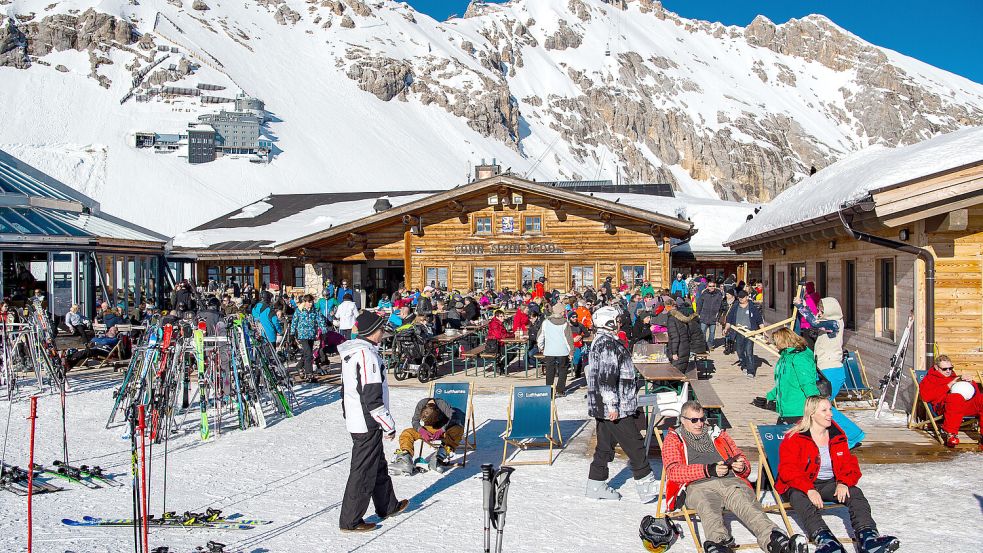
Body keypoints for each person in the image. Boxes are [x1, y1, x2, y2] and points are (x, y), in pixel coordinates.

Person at [663, 401, 807, 553]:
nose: (699, 424)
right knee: (707, 507)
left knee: (747, 505)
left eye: (702, 419)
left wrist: (741, 466)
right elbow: (673, 471)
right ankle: (719, 544)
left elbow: (741, 459)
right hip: (697, 486)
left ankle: (776, 541)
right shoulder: (674, 438)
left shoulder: (717, 433)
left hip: (731, 481)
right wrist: (708, 470)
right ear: (683, 420)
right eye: (694, 420)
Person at [777, 397, 900, 553]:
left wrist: (843, 482)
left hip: (828, 483)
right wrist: (809, 489)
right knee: (798, 497)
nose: (830, 414)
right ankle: (827, 541)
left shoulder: (836, 435)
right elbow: (788, 469)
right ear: (812, 414)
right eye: (824, 410)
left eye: (830, 409)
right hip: (800, 485)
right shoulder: (795, 437)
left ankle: (868, 539)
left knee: (854, 493)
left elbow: (849, 464)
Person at [338, 311, 408, 531]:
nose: (382, 333)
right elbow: (371, 395)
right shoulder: (366, 355)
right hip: (366, 420)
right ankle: (350, 521)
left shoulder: (353, 352)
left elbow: (346, 389)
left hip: (358, 416)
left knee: (377, 463)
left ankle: (387, 505)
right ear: (372, 332)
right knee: (363, 470)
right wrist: (388, 425)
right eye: (380, 330)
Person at [584, 306, 658, 503]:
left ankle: (596, 483)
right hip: (615, 406)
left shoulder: (604, 341)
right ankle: (646, 485)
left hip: (607, 405)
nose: (619, 323)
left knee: (605, 446)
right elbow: (607, 377)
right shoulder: (607, 344)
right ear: (607, 322)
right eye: (616, 320)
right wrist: (612, 405)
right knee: (635, 444)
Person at [793, 295, 865, 448]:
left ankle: (852, 435)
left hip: (831, 371)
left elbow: (813, 322)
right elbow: (815, 325)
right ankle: (838, 436)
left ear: (831, 311)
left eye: (821, 311)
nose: (819, 313)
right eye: (819, 310)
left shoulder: (834, 323)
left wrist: (801, 307)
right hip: (825, 370)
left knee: (823, 406)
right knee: (821, 406)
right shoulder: (828, 325)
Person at [918, 354, 983, 449]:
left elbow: (975, 396)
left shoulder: (955, 377)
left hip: (962, 406)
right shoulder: (929, 379)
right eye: (944, 369)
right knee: (955, 397)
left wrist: (971, 384)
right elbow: (925, 397)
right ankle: (951, 435)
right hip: (943, 406)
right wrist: (948, 385)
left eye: (950, 368)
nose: (948, 371)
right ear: (936, 367)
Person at [390, 397, 465, 475]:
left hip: (445, 428)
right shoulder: (421, 404)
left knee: (458, 429)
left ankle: (439, 457)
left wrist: (442, 430)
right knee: (407, 433)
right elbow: (415, 421)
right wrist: (421, 430)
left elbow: (453, 418)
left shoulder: (442, 405)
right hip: (429, 429)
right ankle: (405, 460)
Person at [765, 328, 820, 424]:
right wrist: (770, 396)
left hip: (798, 410)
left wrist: (816, 406)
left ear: (783, 342)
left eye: (776, 343)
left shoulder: (799, 358)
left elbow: (807, 383)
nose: (775, 346)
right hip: (786, 410)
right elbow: (784, 383)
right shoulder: (785, 357)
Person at [724, 290, 763, 378]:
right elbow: (729, 319)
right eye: (739, 297)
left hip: (750, 332)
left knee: (749, 351)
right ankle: (744, 364)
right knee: (739, 350)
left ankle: (751, 371)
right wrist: (726, 328)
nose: (741, 299)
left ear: (747, 297)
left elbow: (759, 320)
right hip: (738, 332)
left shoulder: (752, 307)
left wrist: (763, 331)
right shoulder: (735, 307)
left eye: (743, 297)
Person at [537, 302, 574, 396]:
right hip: (562, 351)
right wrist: (571, 351)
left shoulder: (546, 322)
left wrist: (541, 347)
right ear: (561, 312)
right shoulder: (565, 323)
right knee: (563, 370)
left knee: (550, 370)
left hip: (549, 350)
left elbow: (540, 336)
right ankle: (560, 390)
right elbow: (568, 338)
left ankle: (549, 391)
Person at [290, 294, 327, 381]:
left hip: (312, 335)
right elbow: (294, 322)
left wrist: (324, 331)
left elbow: (321, 321)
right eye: (309, 302)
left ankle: (299, 366)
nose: (310, 303)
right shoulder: (299, 310)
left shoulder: (315, 311)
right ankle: (309, 374)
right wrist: (292, 333)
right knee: (309, 354)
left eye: (311, 302)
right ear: (305, 302)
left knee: (307, 353)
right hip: (302, 335)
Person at [667, 296, 707, 372]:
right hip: (698, 346)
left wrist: (674, 353)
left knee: (674, 368)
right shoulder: (693, 321)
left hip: (695, 347)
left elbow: (678, 338)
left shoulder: (688, 323)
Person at [696, 279, 724, 350]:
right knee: (703, 332)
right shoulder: (704, 294)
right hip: (704, 315)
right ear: (707, 287)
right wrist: (698, 313)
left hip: (713, 316)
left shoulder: (718, 294)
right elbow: (699, 304)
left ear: (715, 286)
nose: (712, 287)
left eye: (713, 286)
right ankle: (703, 345)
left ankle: (710, 345)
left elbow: (721, 307)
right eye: (710, 286)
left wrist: (718, 317)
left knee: (712, 332)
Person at [485, 309, 514, 375]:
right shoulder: (495, 324)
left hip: (499, 343)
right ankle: (499, 366)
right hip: (495, 345)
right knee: (511, 352)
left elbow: (504, 333)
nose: (503, 317)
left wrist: (511, 334)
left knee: (512, 352)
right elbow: (499, 336)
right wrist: (512, 335)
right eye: (501, 316)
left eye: (503, 316)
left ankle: (500, 366)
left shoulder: (499, 323)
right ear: (496, 317)